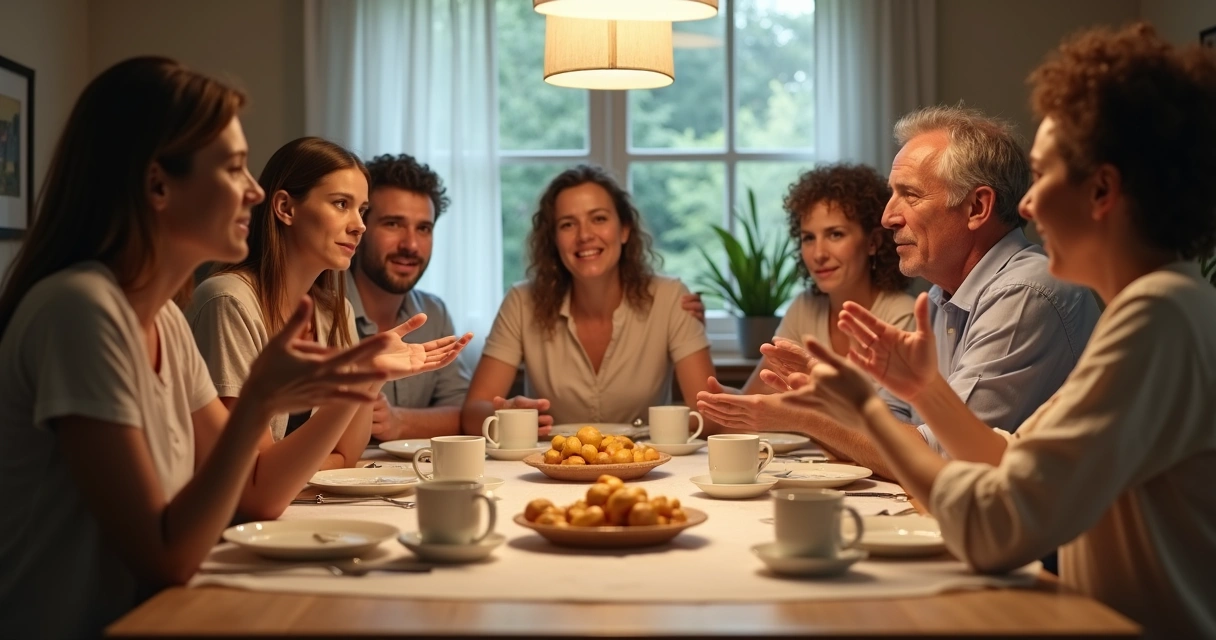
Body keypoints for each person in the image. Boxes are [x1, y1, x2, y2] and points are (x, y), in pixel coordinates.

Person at [786, 23, 1216, 636]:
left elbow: (996, 527)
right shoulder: (1162, 304)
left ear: (1102, 190)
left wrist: (865, 408)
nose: (1030, 205)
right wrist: (923, 390)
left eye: (1043, 177)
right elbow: (1008, 461)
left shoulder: (1157, 317)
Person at [0, 57, 425, 637]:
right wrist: (259, 400)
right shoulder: (81, 311)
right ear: (157, 184)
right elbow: (167, 555)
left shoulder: (166, 325)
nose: (253, 191)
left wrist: (348, 379)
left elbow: (256, 495)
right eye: (232, 168)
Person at [699, 105, 1100, 477]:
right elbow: (895, 426)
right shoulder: (946, 295)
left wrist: (808, 416)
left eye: (909, 194)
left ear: (977, 208)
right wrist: (833, 398)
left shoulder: (1024, 292)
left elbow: (939, 459)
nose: (888, 217)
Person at [187, 137, 471, 473]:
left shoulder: (334, 312)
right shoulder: (228, 301)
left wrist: (372, 376)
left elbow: (348, 456)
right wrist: (322, 461)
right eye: (341, 204)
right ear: (285, 208)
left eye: (362, 210)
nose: (358, 224)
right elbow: (253, 472)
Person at [463, 164, 716, 432]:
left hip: (647, 466)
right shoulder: (521, 302)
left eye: (599, 219)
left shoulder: (672, 299)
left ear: (624, 230)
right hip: (552, 466)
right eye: (568, 224)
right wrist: (506, 416)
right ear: (554, 239)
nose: (584, 236)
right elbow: (472, 413)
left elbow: (709, 415)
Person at [696, 163, 915, 427]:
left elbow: (894, 430)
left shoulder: (901, 315)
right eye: (808, 238)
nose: (818, 253)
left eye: (835, 234)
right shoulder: (804, 308)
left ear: (873, 243)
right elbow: (756, 396)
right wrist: (726, 401)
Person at [346, 153, 472, 441]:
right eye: (393, 224)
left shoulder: (433, 312)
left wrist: (398, 421)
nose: (411, 245)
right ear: (360, 227)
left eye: (423, 228)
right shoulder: (317, 309)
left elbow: (462, 413)